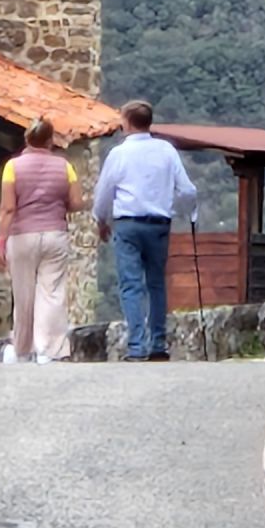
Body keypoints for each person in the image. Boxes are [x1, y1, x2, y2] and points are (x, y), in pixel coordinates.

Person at [92, 100, 197, 362]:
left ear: (126, 122)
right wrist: (189, 212)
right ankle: (158, 344)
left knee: (131, 285)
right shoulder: (166, 150)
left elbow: (104, 192)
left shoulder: (119, 154)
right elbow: (187, 190)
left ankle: (137, 346)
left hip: (127, 224)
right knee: (156, 284)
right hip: (159, 224)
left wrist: (101, 220)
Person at [0, 117, 84, 363]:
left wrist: (1, 242)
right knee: (52, 292)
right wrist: (56, 204)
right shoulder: (65, 166)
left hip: (22, 235)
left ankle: (22, 348)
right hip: (55, 234)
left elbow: (8, 208)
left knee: (23, 294)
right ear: (50, 140)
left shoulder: (13, 167)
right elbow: (76, 202)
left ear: (27, 139)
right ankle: (49, 349)